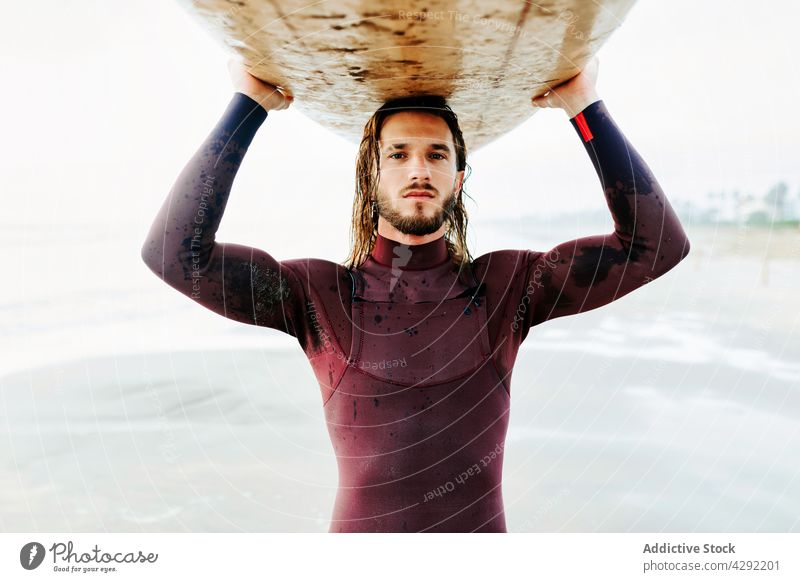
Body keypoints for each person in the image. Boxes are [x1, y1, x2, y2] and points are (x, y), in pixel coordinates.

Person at [141, 56, 690, 532]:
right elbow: (174, 254)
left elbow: (656, 245)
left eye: (436, 154)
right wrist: (249, 102)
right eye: (398, 154)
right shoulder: (316, 295)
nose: (418, 169)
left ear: (459, 175)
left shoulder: (507, 289)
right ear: (371, 176)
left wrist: (584, 105)